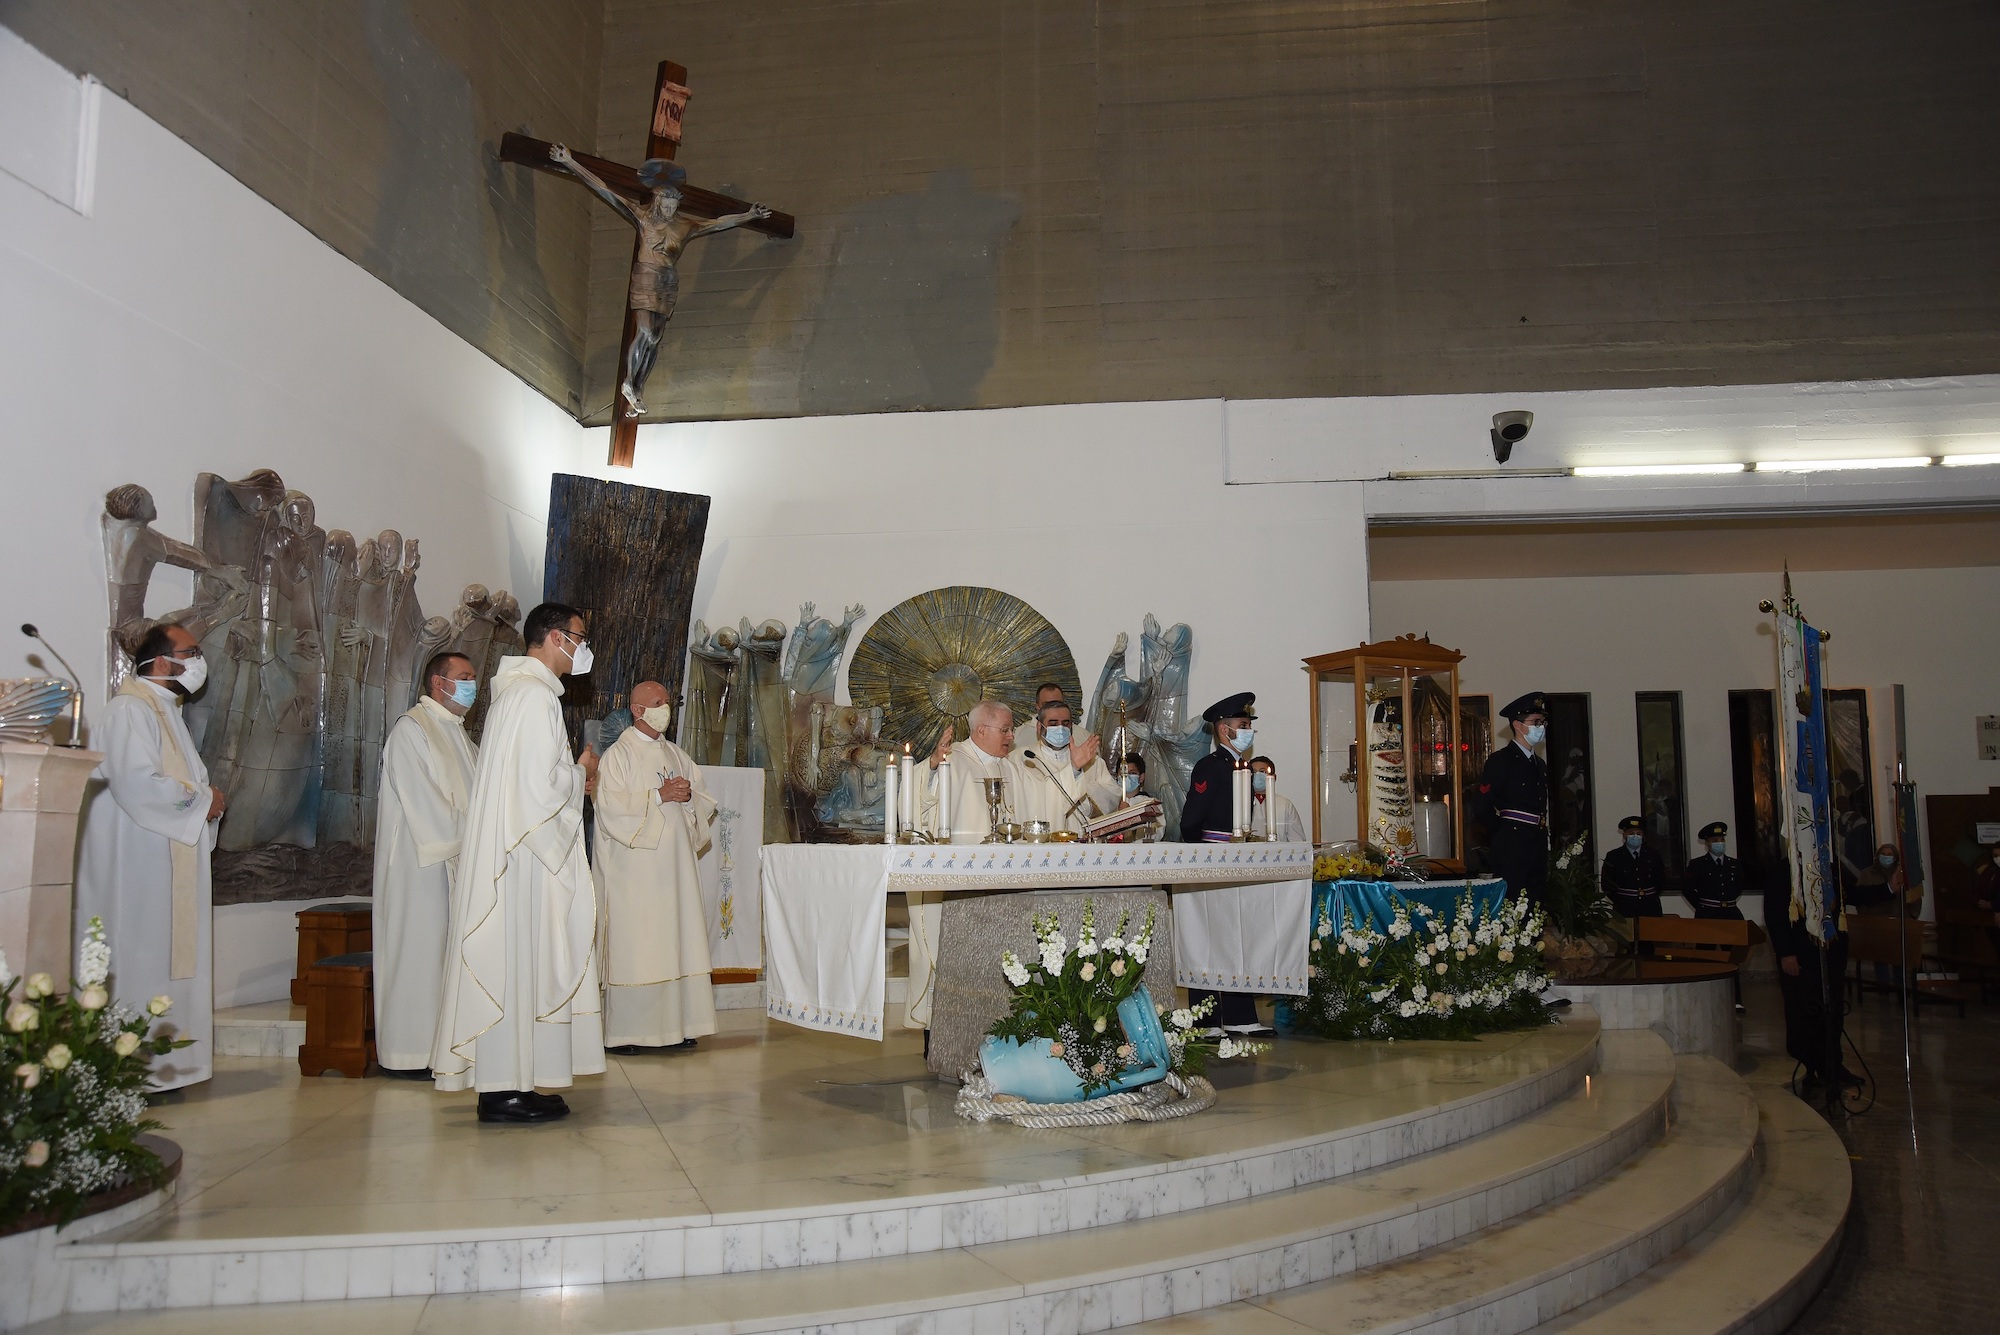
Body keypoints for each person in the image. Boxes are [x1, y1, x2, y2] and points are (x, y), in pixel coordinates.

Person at [431, 602, 606, 1123]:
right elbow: (537, 792)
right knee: (518, 963)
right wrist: (579, 774)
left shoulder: (522, 695)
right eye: (580, 636)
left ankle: (520, 1079)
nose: (584, 648)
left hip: (519, 853)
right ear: (556, 637)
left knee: (523, 967)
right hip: (524, 860)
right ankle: (504, 1088)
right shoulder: (533, 698)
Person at [75, 621, 224, 1091]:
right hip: (137, 866)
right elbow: (137, 784)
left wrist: (205, 800)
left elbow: (186, 782)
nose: (199, 661)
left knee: (169, 956)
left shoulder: (165, 711)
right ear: (162, 661)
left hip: (167, 859)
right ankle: (131, 1071)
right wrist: (203, 803)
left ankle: (169, 1066)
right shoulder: (128, 711)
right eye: (191, 651)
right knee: (140, 952)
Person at [592, 681, 718, 1055]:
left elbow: (703, 798)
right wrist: (659, 795)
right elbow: (608, 808)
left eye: (667, 702)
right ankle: (628, 1031)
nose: (666, 708)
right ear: (637, 709)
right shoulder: (619, 755)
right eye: (657, 702)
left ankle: (678, 1024)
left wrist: (689, 795)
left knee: (676, 941)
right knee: (641, 946)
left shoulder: (676, 754)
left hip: (675, 871)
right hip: (637, 874)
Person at [370, 650, 480, 1078]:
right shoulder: (411, 730)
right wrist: (476, 833)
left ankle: (445, 1049)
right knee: (418, 955)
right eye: (464, 676)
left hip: (455, 863)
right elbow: (424, 802)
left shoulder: (461, 736)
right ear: (439, 682)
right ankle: (408, 1053)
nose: (473, 684)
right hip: (420, 867)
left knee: (446, 957)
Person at [916, 701, 1026, 1028]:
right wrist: (933, 768)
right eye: (1005, 729)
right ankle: (947, 1033)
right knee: (961, 962)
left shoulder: (1011, 767)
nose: (1011, 736)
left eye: (1011, 729)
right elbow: (921, 799)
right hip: (962, 887)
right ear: (981, 730)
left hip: (1007, 884)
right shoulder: (954, 759)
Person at [1180, 692, 1267, 1033]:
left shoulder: (1243, 768)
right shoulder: (1211, 767)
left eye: (1248, 726)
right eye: (1242, 726)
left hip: (1238, 858)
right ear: (1223, 730)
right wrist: (1203, 852)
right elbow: (1191, 820)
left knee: (1236, 937)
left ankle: (1240, 1015)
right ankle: (1206, 1019)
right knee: (1207, 938)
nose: (1247, 732)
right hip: (1213, 858)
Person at [1767, 890, 1858, 1097]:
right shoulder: (1785, 872)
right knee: (1802, 1015)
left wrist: (1888, 888)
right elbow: (1774, 915)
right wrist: (1785, 952)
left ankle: (1831, 1067)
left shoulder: (1829, 866)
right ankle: (1805, 1069)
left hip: (1830, 954)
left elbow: (1853, 892)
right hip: (1801, 957)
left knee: (1832, 1015)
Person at [1473, 693, 1550, 911]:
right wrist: (1504, 832)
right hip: (1512, 845)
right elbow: (1482, 806)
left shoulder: (1539, 764)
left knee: (1536, 903)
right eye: (1535, 722)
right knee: (1513, 903)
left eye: (1542, 722)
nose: (1541, 727)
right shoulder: (1501, 761)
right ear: (1517, 724)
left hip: (1536, 842)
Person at [1016, 698, 1119, 835]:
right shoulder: (1022, 759)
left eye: (1065, 723)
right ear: (1039, 727)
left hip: (1084, 841)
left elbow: (1113, 797)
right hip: (1043, 842)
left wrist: (1085, 798)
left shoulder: (1092, 761)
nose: (1060, 728)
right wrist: (1073, 776)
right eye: (1053, 724)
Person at [1599, 815, 1664, 919]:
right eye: (1631, 833)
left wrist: (1650, 895)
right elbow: (1607, 884)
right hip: (1625, 907)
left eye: (1639, 833)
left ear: (1643, 835)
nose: (1635, 836)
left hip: (1650, 907)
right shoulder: (1614, 856)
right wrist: (1620, 899)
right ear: (1624, 835)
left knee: (1651, 935)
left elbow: (1661, 880)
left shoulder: (1653, 855)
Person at [1683, 822, 1744, 919]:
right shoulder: (1697, 864)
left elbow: (1739, 886)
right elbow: (1687, 889)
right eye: (1715, 840)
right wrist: (1702, 906)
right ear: (1707, 843)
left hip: (1732, 913)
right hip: (1708, 914)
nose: (1720, 843)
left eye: (1722, 839)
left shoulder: (1735, 864)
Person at [1248, 757, 1307, 842]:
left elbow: (1297, 841)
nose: (1257, 775)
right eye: (1253, 772)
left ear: (1274, 777)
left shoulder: (1285, 804)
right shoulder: (1239, 804)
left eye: (1262, 772)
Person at [1009, 681, 1068, 756]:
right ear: (1037, 707)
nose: (1053, 709)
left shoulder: (1081, 734)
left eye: (1057, 704)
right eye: (1046, 705)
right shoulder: (1021, 734)